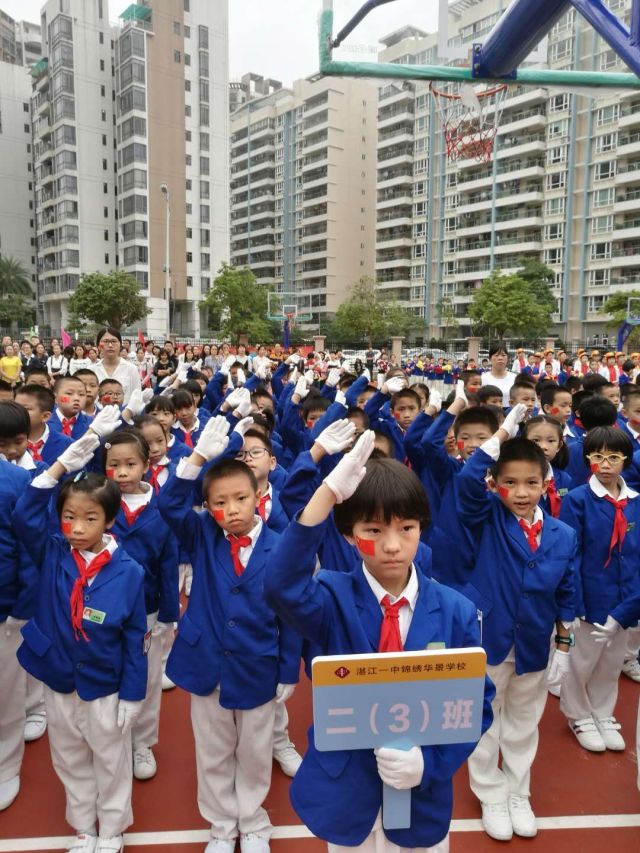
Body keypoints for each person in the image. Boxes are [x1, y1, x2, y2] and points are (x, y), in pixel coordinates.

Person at [264, 432, 494, 852]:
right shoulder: (331, 597)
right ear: (350, 535)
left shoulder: (457, 610)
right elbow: (280, 585)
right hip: (348, 789)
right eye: (373, 529)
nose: (391, 545)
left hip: (420, 794)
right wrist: (328, 493)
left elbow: (475, 704)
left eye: (406, 528)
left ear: (421, 528)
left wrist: (430, 763)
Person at [158, 417, 300, 853]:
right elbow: (169, 505)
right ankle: (221, 823)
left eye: (241, 498)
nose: (232, 509)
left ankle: (254, 820)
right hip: (206, 663)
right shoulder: (203, 533)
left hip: (258, 662)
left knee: (255, 750)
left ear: (260, 496)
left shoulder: (282, 544)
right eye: (219, 502)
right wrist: (198, 456)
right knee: (214, 748)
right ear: (208, 507)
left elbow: (292, 612)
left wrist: (288, 668)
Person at [12, 409, 148, 853]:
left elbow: (133, 636)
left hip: (105, 682)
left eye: (89, 518)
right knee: (68, 755)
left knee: (110, 758)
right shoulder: (53, 553)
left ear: (110, 522)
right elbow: (25, 515)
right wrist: (58, 468)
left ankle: (111, 828)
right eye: (69, 517)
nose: (76, 528)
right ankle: (83, 823)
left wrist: (132, 693)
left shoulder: (128, 571)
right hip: (58, 676)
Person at [457, 406, 576, 842]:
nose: (521, 492)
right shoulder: (486, 516)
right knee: (484, 718)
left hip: (533, 642)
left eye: (531, 483)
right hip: (488, 637)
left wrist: (564, 643)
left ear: (547, 483)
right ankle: (490, 790)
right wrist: (503, 432)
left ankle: (517, 790)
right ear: (496, 485)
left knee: (525, 720)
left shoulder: (563, 534)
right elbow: (467, 481)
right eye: (509, 483)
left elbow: (567, 589)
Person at [101, 428, 179, 781]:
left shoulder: (161, 510)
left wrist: (168, 615)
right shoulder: (99, 504)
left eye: (130, 463)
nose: (122, 472)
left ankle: (143, 740)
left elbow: (168, 563)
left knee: (146, 677)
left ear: (147, 465)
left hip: (146, 607)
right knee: (109, 670)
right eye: (113, 464)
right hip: (102, 609)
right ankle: (112, 736)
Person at [559, 426, 640, 753]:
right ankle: (578, 713)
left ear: (626, 460)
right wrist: (575, 602)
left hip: (627, 599)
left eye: (613, 457)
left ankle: (603, 712)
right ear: (587, 458)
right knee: (583, 660)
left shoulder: (636, 502)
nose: (605, 464)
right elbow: (571, 553)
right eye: (597, 457)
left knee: (612, 660)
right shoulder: (578, 499)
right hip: (591, 596)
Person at [0, 413, 32, 811]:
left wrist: (22, 606)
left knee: (6, 693)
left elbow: (30, 547)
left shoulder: (17, 482)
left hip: (4, 605)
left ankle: (6, 766)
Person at [91, 328, 141, 405]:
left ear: (120, 345)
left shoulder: (131, 369)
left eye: (114, 341)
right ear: (98, 346)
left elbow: (137, 398)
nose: (110, 345)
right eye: (106, 341)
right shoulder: (91, 371)